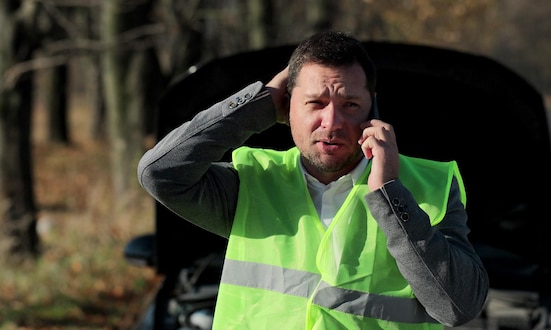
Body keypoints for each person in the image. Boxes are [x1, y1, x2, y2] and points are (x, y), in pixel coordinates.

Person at [138, 31, 489, 329]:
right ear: (287, 105)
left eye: (350, 104)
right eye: (315, 103)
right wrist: (254, 107)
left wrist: (390, 195)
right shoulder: (253, 181)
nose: (331, 121)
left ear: (373, 109)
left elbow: (456, 307)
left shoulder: (429, 186)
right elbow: (160, 173)